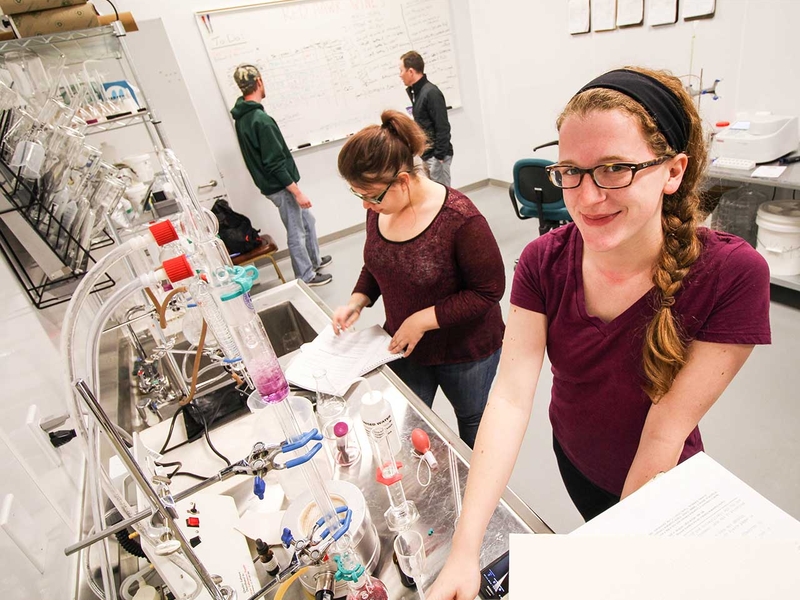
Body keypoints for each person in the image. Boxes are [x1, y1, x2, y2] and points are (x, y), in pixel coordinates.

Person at [428, 66, 771, 600]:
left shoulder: (730, 275)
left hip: (662, 479)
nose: (588, 198)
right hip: (576, 456)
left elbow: (663, 432)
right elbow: (512, 397)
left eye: (614, 169)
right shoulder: (543, 261)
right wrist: (465, 549)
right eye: (570, 171)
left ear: (673, 171)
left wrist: (608, 561)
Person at [332, 110, 505, 448]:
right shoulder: (381, 209)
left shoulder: (460, 219)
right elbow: (379, 262)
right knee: (406, 421)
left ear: (403, 181)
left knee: (471, 423)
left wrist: (421, 321)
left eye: (372, 195)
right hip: (405, 346)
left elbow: (488, 291)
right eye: (359, 196)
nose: (367, 205)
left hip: (465, 351)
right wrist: (358, 300)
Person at [230, 64, 332, 287]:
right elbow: (274, 163)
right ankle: (306, 276)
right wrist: (297, 192)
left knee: (308, 221)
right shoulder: (260, 120)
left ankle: (314, 260)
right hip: (281, 186)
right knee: (297, 232)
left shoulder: (243, 118)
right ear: (259, 82)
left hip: (273, 185)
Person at [399, 51, 454, 187]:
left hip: (436, 157)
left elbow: (443, 126)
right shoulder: (417, 93)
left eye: (401, 70)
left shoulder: (431, 92)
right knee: (433, 194)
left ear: (411, 71)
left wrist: (439, 156)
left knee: (444, 196)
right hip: (428, 155)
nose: (400, 75)